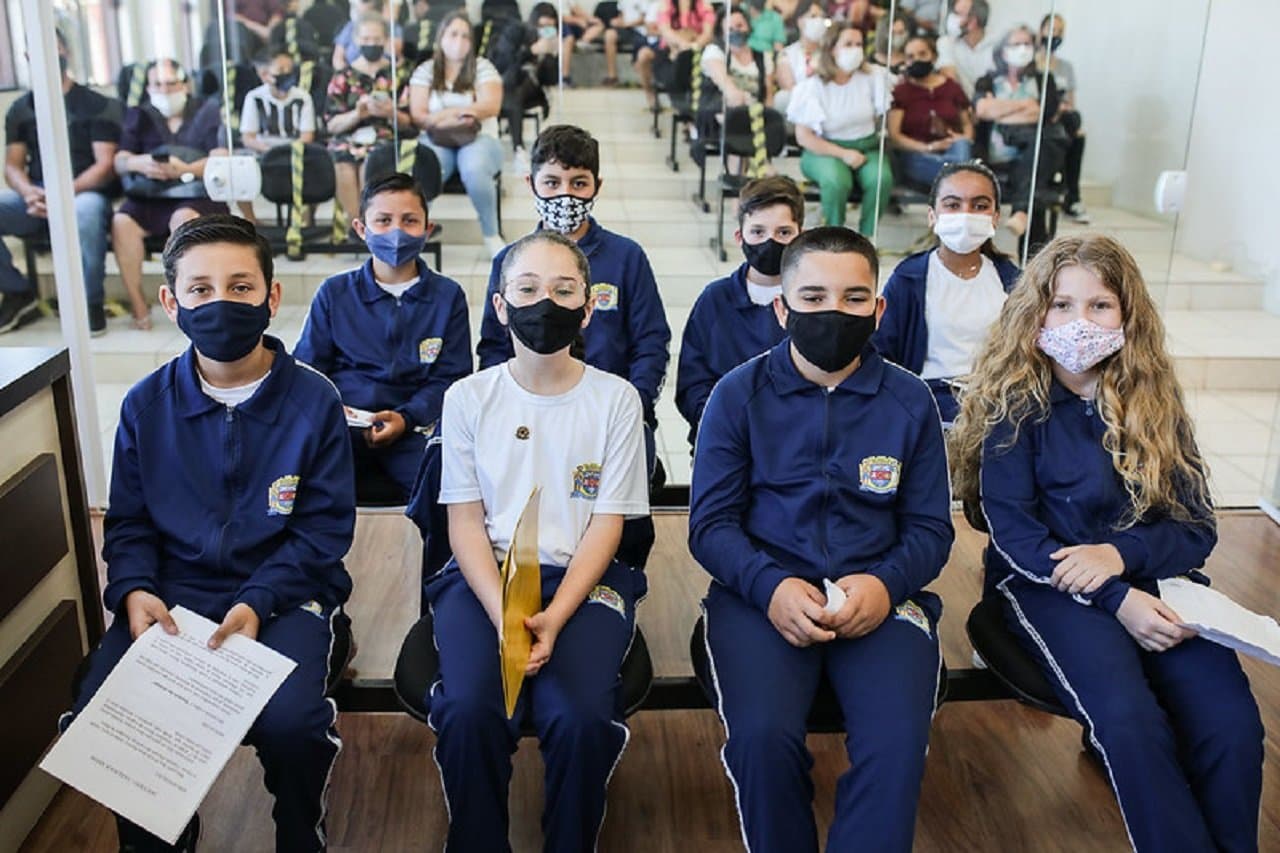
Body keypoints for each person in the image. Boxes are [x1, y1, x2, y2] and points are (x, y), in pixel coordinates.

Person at [950, 233, 1264, 852]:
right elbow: (1015, 536)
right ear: (1034, 313)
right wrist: (1118, 597)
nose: (1079, 321)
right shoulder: (1013, 408)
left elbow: (1195, 526)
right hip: (1045, 587)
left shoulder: (1154, 403)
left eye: (1099, 306)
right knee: (1129, 722)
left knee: (1232, 725)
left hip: (1156, 584)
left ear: (1127, 315)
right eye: (1062, 305)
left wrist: (1121, 558)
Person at [65, 214, 355, 852]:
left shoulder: (315, 402)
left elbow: (322, 532)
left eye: (241, 286)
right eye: (199, 289)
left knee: (291, 723)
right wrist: (135, 589)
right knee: (105, 709)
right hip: (173, 599)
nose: (220, 302)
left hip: (284, 598)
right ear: (171, 302)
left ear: (271, 297)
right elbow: (130, 521)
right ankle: (160, 836)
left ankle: (299, 831)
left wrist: (258, 600)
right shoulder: (144, 406)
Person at [690, 225, 952, 852]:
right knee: (760, 740)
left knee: (896, 745)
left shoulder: (911, 400)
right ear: (781, 307)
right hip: (761, 597)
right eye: (812, 297)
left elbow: (930, 530)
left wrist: (885, 585)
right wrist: (770, 585)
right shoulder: (736, 395)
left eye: (854, 298)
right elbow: (710, 526)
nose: (833, 312)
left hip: (881, 599)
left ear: (878, 308)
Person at [425, 230, 650, 852]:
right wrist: (506, 616)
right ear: (501, 307)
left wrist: (553, 615)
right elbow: (464, 520)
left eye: (562, 289)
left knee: (578, 720)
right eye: (526, 289)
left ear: (588, 307)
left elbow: (609, 522)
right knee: (471, 713)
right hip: (484, 579)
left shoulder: (616, 400)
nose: (543, 301)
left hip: (586, 580)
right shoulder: (468, 397)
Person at [478, 125, 670, 456]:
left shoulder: (627, 257)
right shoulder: (508, 260)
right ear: (531, 184)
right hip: (529, 414)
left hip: (612, 413)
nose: (564, 194)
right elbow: (494, 348)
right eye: (551, 182)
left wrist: (632, 403)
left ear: (597, 187)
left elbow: (651, 342)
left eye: (579, 183)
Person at [294, 173, 472, 501]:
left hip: (410, 428)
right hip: (342, 426)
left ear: (427, 229)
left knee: (443, 494)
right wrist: (338, 412)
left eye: (409, 221)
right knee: (308, 488)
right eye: (383, 221)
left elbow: (451, 377)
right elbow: (307, 371)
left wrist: (407, 418)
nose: (396, 232)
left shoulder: (448, 297)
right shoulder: (334, 294)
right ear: (362, 229)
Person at [874, 161, 1017, 422]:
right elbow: (882, 353)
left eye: (980, 206)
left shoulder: (1012, 280)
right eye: (953, 205)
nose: (966, 214)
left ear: (995, 217)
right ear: (932, 216)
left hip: (996, 407)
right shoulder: (909, 278)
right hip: (926, 406)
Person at [0, 30, 120, 335]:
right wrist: (29, 192)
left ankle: (89, 303)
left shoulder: (96, 104)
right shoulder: (21, 109)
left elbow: (105, 164)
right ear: (28, 58)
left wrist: (63, 194)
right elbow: (12, 166)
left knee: (85, 213)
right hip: (37, 197)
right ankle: (17, 292)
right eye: (36, 52)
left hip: (84, 193)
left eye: (54, 49)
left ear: (66, 52)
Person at [676, 174, 801, 447]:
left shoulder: (814, 302)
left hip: (795, 446)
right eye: (758, 232)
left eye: (784, 232)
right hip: (723, 442)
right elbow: (691, 385)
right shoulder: (715, 300)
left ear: (800, 236)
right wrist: (727, 425)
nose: (771, 241)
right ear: (739, 236)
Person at [112, 59, 229, 332]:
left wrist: (185, 168)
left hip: (195, 192)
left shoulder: (206, 111)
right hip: (150, 194)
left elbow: (220, 158)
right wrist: (139, 163)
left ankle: (189, 302)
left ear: (185, 84)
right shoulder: (139, 115)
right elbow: (120, 160)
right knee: (122, 223)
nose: (165, 90)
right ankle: (138, 305)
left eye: (171, 83)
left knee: (184, 219)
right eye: (158, 84)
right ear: (149, 87)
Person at [408, 10, 506, 257]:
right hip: (436, 138)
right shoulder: (426, 70)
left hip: (480, 138)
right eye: (453, 34)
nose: (459, 41)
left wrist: (444, 113)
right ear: (441, 37)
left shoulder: (484, 67)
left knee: (473, 168)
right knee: (427, 169)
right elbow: (417, 115)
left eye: (465, 36)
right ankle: (413, 233)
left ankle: (491, 234)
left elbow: (490, 106)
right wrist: (458, 113)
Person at [788, 22, 894, 235]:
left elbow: (881, 117)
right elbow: (804, 137)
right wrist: (844, 154)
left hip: (866, 146)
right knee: (836, 181)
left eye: (859, 44)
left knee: (881, 179)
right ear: (831, 48)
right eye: (848, 44)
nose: (855, 49)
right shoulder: (813, 86)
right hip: (824, 149)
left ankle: (867, 238)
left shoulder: (873, 77)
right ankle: (834, 238)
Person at [973, 26, 1068, 244]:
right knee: (1038, 178)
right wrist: (1025, 105)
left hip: (1034, 154)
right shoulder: (987, 80)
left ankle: (1022, 212)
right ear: (1003, 50)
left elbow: (1044, 113)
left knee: (1038, 152)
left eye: (1027, 44)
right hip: (1000, 154)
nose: (1022, 49)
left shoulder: (1044, 80)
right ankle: (1033, 254)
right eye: (1016, 44)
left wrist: (1002, 112)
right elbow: (983, 110)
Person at [324, 13, 412, 224]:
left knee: (371, 161)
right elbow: (331, 124)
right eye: (366, 39)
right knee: (343, 161)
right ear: (356, 41)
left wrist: (389, 112)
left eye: (376, 39)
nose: (371, 44)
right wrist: (357, 114)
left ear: (385, 40)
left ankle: (373, 223)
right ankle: (358, 225)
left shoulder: (397, 74)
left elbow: (409, 121)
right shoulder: (343, 76)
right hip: (348, 135)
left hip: (383, 136)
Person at [887, 35, 972, 190]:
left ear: (933, 56)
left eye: (922, 54)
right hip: (918, 153)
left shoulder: (952, 88)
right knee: (957, 170)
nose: (917, 59)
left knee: (962, 146)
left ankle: (956, 179)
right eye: (911, 56)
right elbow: (895, 136)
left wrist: (963, 137)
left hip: (952, 149)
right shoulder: (901, 92)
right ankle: (959, 179)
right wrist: (929, 147)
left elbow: (966, 123)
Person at [1037, 13, 1088, 223]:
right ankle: (1065, 193)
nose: (1054, 35)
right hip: (1039, 119)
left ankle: (1072, 197)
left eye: (1059, 32)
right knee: (1069, 133)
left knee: (1076, 133)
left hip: (1061, 120)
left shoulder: (1065, 68)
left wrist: (1062, 108)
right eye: (1051, 30)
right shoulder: (1031, 63)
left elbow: (1070, 102)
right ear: (1040, 31)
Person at [241, 49, 317, 154]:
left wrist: (288, 152)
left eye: (289, 70)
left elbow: (307, 136)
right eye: (281, 70)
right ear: (265, 75)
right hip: (263, 152)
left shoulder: (303, 98)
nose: (286, 74)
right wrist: (270, 151)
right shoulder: (254, 97)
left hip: (294, 152)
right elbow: (248, 138)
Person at [774, 3, 828, 115]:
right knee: (782, 98)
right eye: (813, 16)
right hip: (802, 106)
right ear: (800, 22)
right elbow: (789, 88)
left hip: (829, 102)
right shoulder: (787, 54)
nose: (819, 21)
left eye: (821, 17)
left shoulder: (830, 52)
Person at [937, 0, 993, 99]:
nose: (951, 18)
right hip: (961, 103)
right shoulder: (946, 42)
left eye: (957, 14)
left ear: (973, 21)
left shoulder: (997, 46)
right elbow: (950, 78)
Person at [332, 0, 404, 70]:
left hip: (383, 74)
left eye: (367, 15)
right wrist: (347, 74)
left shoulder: (392, 28)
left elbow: (397, 57)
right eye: (360, 14)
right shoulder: (351, 27)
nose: (363, 18)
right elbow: (337, 58)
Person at [602, 0, 658, 89]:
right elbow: (622, 14)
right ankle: (612, 76)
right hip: (626, 29)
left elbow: (645, 19)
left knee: (639, 59)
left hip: (640, 31)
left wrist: (626, 24)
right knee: (609, 34)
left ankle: (650, 82)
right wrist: (618, 21)